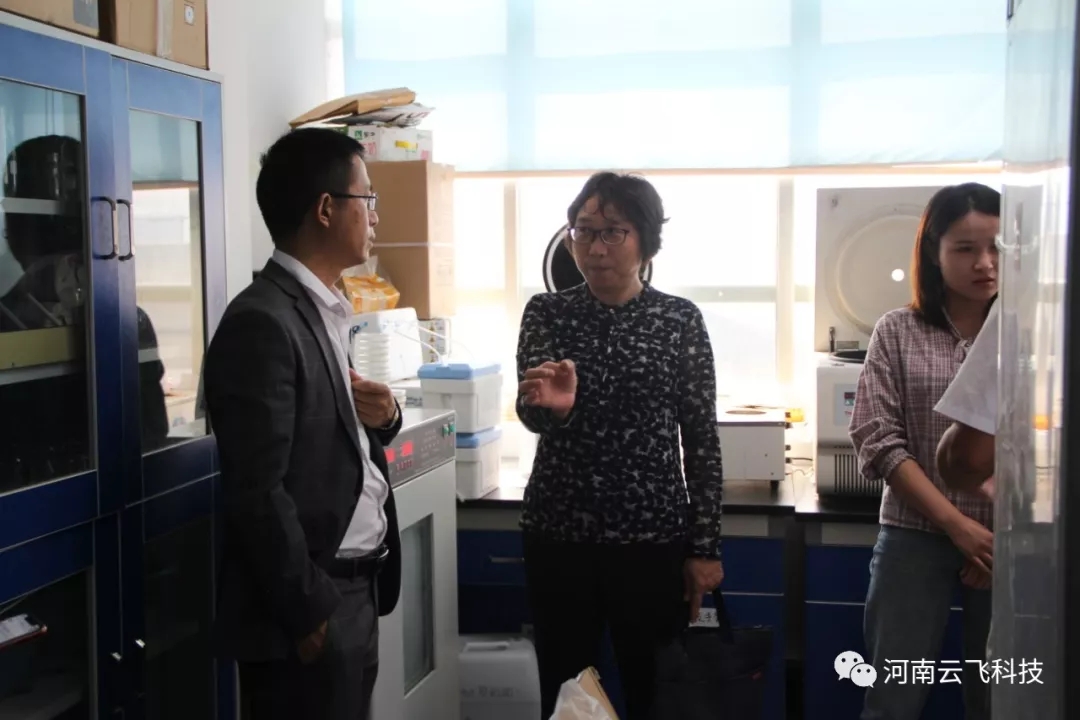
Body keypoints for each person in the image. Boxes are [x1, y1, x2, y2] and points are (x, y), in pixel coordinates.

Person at [203, 128, 403, 720]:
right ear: (325, 208)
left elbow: (328, 440)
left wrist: (385, 418)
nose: (375, 215)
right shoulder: (263, 321)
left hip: (355, 588)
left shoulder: (323, 308)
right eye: (367, 198)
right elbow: (256, 488)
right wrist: (307, 610)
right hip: (312, 603)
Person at [515, 172, 724, 720]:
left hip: (651, 541)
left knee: (653, 691)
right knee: (567, 693)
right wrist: (555, 408)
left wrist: (705, 547)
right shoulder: (547, 312)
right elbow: (530, 413)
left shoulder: (679, 319)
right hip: (560, 535)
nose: (595, 247)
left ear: (646, 242)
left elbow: (701, 438)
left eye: (613, 232)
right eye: (584, 231)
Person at [849, 182, 999, 720]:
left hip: (1005, 544)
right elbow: (878, 439)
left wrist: (998, 537)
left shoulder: (1031, 336)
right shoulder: (898, 330)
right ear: (934, 252)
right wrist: (958, 527)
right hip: (914, 534)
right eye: (966, 248)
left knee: (999, 696)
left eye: (998, 248)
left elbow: (1044, 446)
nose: (985, 263)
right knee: (894, 696)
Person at [935, 297, 999, 495]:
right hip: (913, 513)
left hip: (1009, 510)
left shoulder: (1015, 306)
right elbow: (880, 437)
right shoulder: (895, 326)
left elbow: (968, 458)